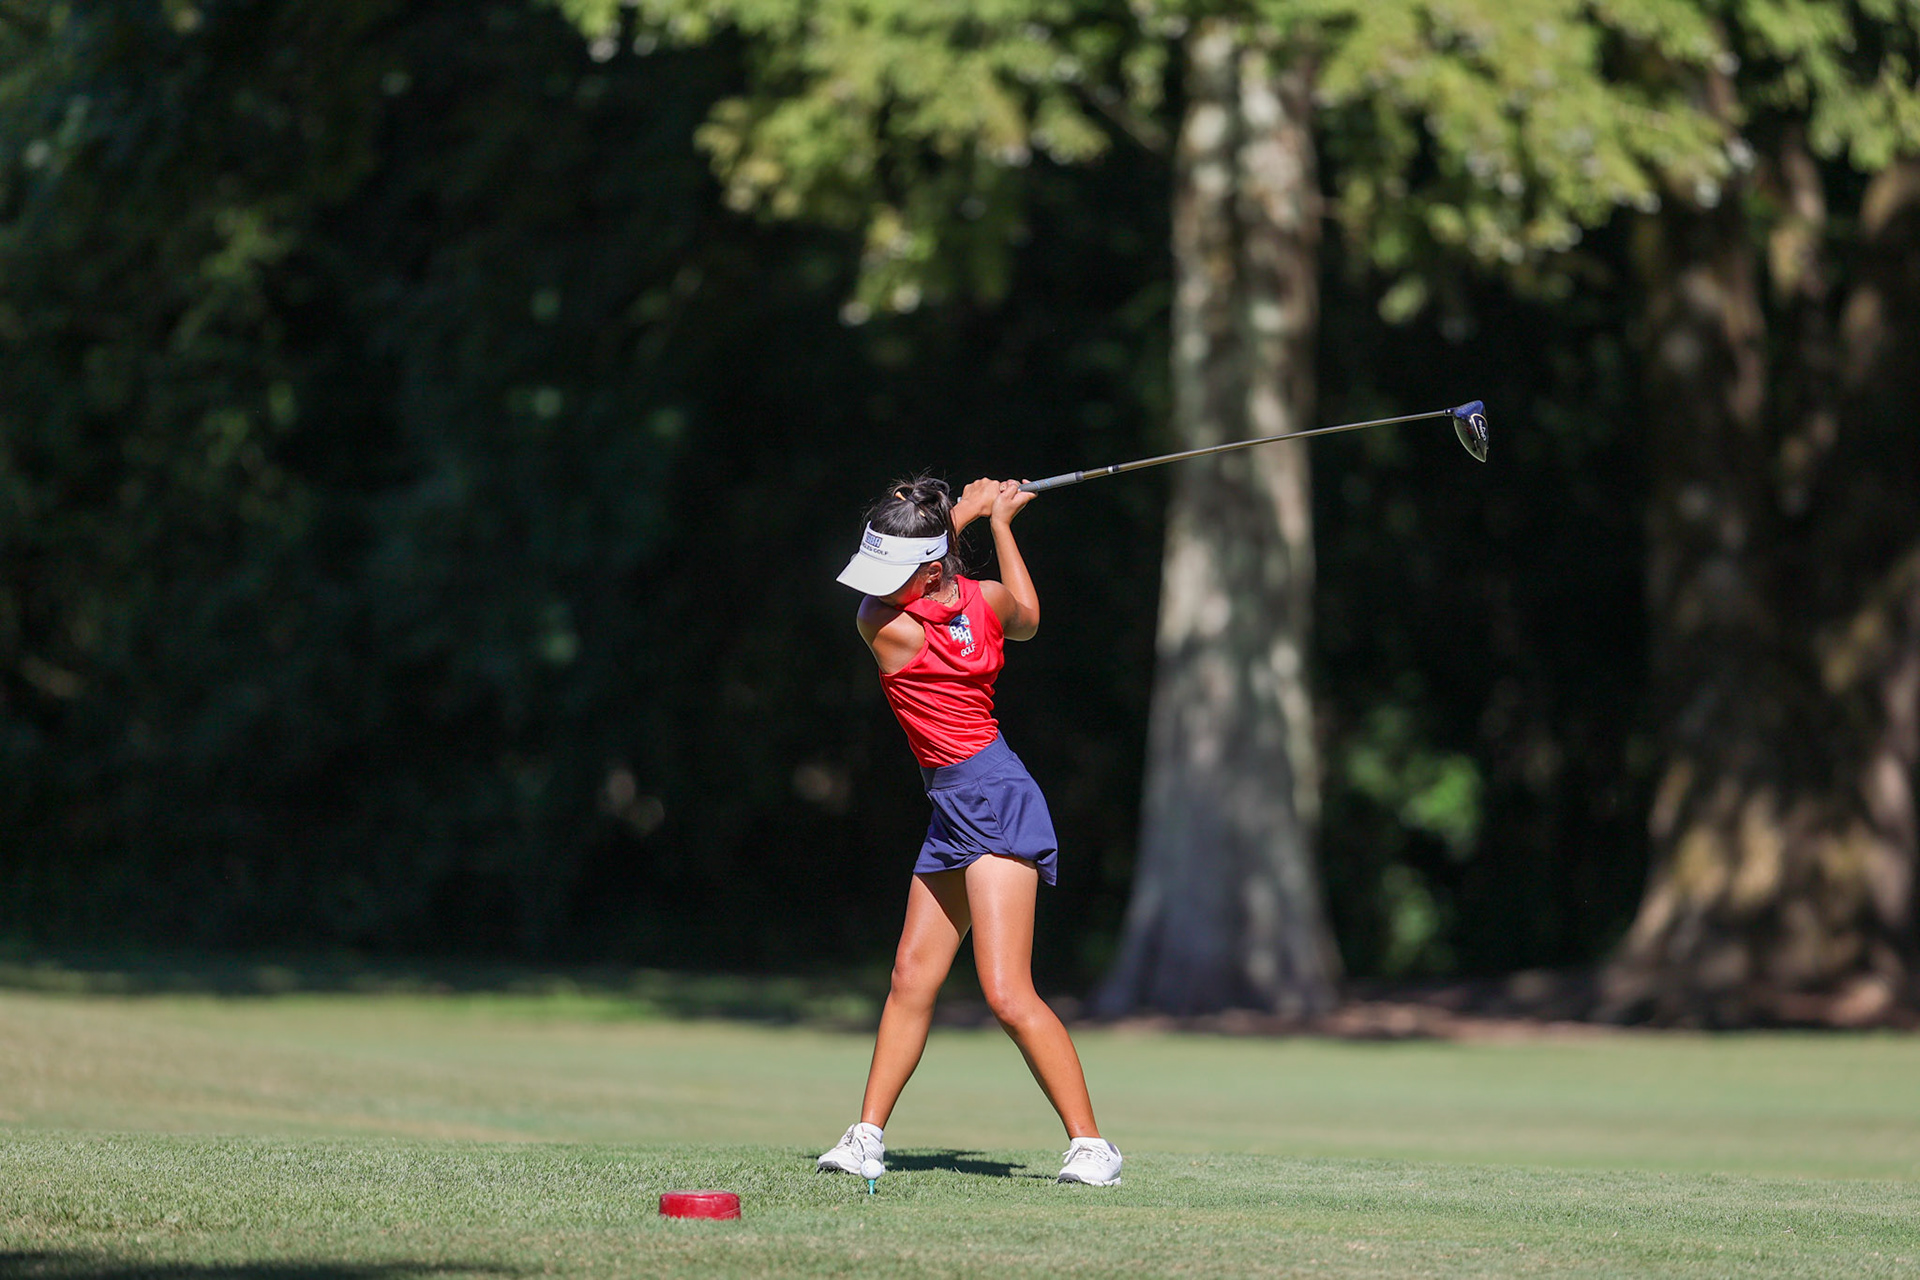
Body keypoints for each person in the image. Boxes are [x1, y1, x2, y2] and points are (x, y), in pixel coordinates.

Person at [816, 474, 1122, 1188]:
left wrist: (971, 513)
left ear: (926, 565)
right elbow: (1030, 617)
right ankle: (866, 1138)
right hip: (958, 804)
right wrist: (999, 521)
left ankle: (1092, 1146)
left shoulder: (882, 624)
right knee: (910, 977)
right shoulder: (980, 602)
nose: (878, 585)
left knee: (1007, 992)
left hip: (995, 799)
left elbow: (919, 574)